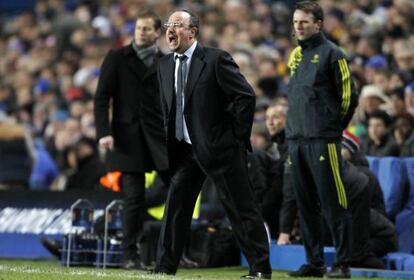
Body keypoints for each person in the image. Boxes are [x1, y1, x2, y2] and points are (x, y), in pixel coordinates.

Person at [152, 9, 271, 279]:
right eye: (168, 25)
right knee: (175, 207)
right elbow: (167, 109)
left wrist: (234, 139)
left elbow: (246, 97)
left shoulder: (216, 59)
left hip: (219, 149)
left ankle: (260, 268)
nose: (170, 29)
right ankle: (164, 267)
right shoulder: (164, 65)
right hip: (185, 151)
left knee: (240, 208)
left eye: (178, 25)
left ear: (192, 32)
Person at [286, 2, 358, 278]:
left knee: (333, 202)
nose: (299, 27)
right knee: (305, 206)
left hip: (322, 140)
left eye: (304, 22)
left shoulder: (333, 54)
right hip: (296, 140)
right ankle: (314, 262)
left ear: (319, 24)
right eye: (296, 22)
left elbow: (349, 97)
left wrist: (331, 128)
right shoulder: (295, 56)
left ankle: (342, 263)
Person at [94, 10, 168, 270]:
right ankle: (130, 254)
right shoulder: (117, 57)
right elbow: (102, 97)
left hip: (159, 139)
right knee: (134, 197)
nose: (141, 32)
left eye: (147, 29)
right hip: (128, 138)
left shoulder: (165, 61)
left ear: (158, 33)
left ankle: (172, 252)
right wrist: (104, 132)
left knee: (176, 190)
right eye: (139, 27)